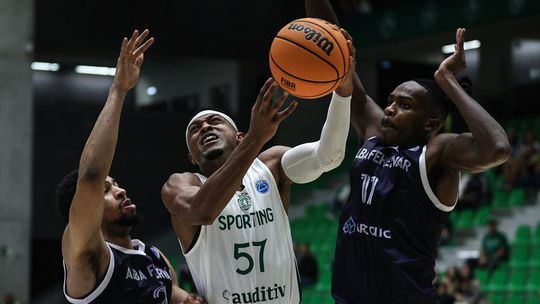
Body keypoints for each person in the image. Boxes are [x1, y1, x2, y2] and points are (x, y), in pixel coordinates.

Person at [306, 1, 510, 302]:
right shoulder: (375, 131)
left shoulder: (436, 153)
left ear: (430, 123)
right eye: (390, 100)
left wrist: (447, 81)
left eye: (404, 104)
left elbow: (497, 148)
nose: (389, 108)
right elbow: (335, 45)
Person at [161, 38, 357, 303]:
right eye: (195, 129)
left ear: (239, 137)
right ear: (191, 156)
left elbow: (329, 156)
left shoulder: (270, 165)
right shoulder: (181, 184)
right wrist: (256, 138)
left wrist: (342, 93)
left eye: (215, 121)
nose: (205, 127)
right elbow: (202, 211)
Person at [56, 29, 203, 304]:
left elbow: (181, 299)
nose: (121, 191)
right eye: (107, 190)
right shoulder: (86, 255)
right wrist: (118, 90)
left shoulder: (154, 258)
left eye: (116, 184)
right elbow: (91, 175)